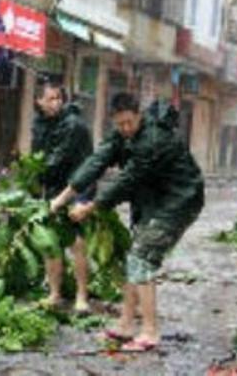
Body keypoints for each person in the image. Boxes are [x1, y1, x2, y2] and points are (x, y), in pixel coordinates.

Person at [50, 93, 204, 352]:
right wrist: (62, 198)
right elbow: (95, 163)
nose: (125, 129)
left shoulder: (154, 140)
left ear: (139, 115)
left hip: (178, 201)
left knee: (141, 259)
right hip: (151, 201)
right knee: (133, 259)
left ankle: (150, 331)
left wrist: (91, 206)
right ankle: (125, 324)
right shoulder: (121, 136)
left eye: (129, 123)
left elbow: (127, 181)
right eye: (119, 124)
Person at [31, 81, 95, 312]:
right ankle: (55, 293)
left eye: (59, 98)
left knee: (77, 242)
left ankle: (81, 297)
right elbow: (37, 156)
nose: (56, 103)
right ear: (38, 101)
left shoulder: (73, 125)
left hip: (79, 185)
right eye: (50, 98)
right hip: (55, 184)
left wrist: (32, 177)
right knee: (51, 241)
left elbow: (56, 159)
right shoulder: (39, 123)